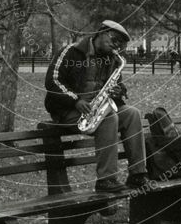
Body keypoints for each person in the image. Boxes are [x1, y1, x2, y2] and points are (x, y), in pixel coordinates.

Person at [44, 20, 148, 192]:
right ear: (102, 32)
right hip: (67, 110)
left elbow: (117, 86)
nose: (116, 46)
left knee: (132, 114)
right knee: (108, 117)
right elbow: (53, 80)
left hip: (96, 109)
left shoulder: (112, 59)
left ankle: (138, 174)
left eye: (120, 44)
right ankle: (106, 180)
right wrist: (75, 100)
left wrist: (119, 91)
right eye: (114, 40)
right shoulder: (71, 52)